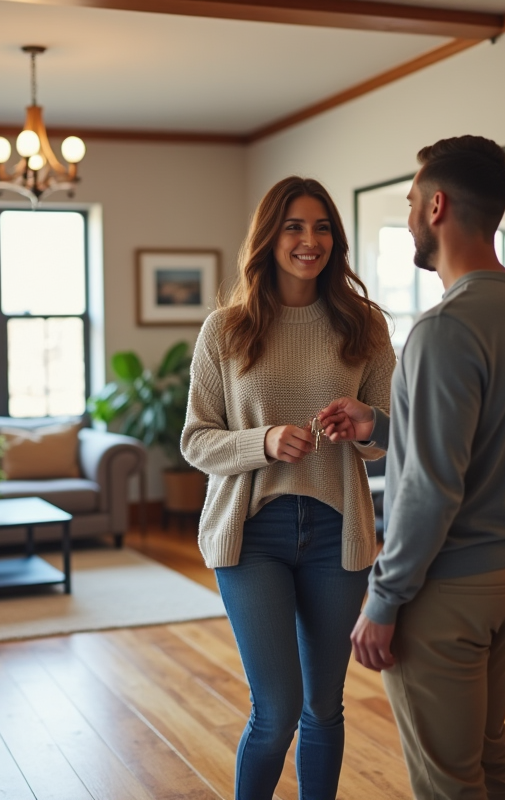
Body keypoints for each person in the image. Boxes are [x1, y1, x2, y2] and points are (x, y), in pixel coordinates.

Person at [317, 136, 505, 800]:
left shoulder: (444, 329)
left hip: (447, 593)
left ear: (437, 205)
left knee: (447, 785)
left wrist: (384, 598)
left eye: (409, 202)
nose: (407, 217)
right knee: (490, 764)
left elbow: (429, 489)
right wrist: (382, 427)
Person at [181, 176, 396, 800]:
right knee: (276, 711)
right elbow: (196, 441)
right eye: (295, 226)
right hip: (253, 534)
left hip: (338, 530)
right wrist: (263, 442)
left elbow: (385, 439)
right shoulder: (226, 329)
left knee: (324, 709)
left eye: (322, 227)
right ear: (268, 237)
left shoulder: (365, 326)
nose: (310, 240)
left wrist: (358, 425)